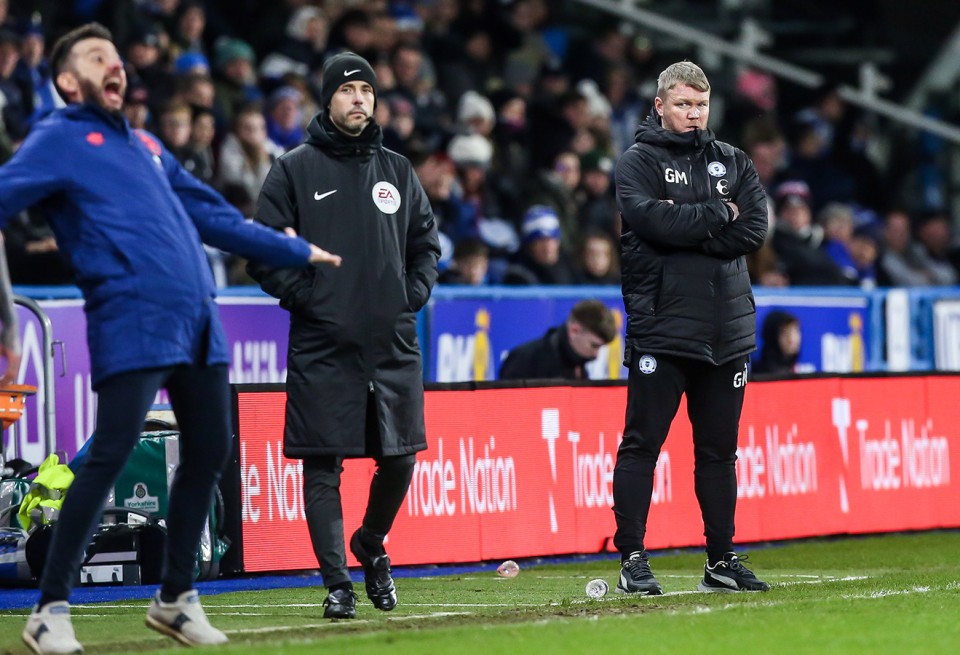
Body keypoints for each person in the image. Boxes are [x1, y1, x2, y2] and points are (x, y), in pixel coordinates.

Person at [0, 23, 341, 655]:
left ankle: (176, 598)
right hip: (131, 315)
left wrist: (292, 249)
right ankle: (49, 610)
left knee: (210, 448)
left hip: (197, 318)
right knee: (110, 455)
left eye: (117, 56)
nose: (116, 64)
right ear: (68, 81)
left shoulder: (149, 144)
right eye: (97, 57)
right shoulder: (57, 139)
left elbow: (212, 215)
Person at [247, 51, 440, 621]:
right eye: (348, 90)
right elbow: (264, 251)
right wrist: (310, 299)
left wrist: (409, 297)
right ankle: (337, 584)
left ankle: (370, 542)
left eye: (367, 91)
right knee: (322, 464)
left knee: (401, 460)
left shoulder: (398, 171)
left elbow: (426, 245)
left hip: (392, 345)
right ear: (327, 100)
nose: (359, 99)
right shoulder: (293, 170)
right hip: (323, 345)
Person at [611, 61, 770, 596]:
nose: (693, 114)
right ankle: (632, 557)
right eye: (683, 105)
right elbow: (649, 219)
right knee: (642, 445)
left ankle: (720, 559)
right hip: (662, 327)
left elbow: (753, 228)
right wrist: (715, 214)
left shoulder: (734, 161)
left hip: (727, 331)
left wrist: (688, 223)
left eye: (700, 105)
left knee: (719, 452)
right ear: (660, 105)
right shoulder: (638, 162)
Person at [498, 299, 616, 380]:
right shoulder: (524, 361)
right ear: (574, 331)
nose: (597, 355)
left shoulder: (578, 364)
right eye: (594, 346)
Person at [752, 310, 802, 375]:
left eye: (795, 331)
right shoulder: (759, 375)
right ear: (772, 337)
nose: (792, 339)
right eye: (785, 333)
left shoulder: (795, 370)